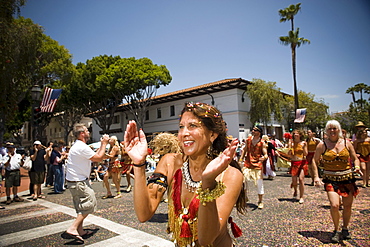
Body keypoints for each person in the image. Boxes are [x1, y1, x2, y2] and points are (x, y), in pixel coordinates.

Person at [124, 102, 247, 246]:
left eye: (193, 126)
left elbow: (207, 239)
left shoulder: (229, 175)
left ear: (212, 134)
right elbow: (144, 214)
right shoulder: (170, 163)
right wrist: (139, 164)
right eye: (181, 127)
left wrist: (207, 183)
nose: (184, 133)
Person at [312, 120, 362, 243]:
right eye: (330, 129)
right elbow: (314, 161)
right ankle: (335, 230)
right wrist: (316, 177)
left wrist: (357, 167)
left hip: (347, 178)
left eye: (334, 128)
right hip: (330, 179)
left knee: (347, 206)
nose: (332, 131)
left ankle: (345, 228)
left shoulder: (347, 143)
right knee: (334, 205)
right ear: (326, 131)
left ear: (339, 130)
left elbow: (355, 159)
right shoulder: (322, 145)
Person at [61, 123, 109, 244]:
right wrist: (104, 144)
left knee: (81, 206)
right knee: (90, 203)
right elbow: (98, 158)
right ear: (82, 133)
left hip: (74, 181)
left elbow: (94, 155)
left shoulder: (79, 146)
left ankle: (80, 230)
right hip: (79, 181)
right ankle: (73, 228)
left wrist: (101, 147)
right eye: (87, 130)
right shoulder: (81, 146)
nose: (89, 132)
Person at [240, 125, 267, 209]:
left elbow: (265, 154)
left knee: (259, 183)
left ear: (259, 132)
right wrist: (241, 159)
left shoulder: (262, 142)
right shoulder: (248, 141)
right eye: (252, 129)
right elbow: (244, 150)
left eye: (255, 130)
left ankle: (260, 201)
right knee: (242, 181)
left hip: (257, 165)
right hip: (248, 164)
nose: (252, 131)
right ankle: (244, 198)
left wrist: (264, 158)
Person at [287, 129, 308, 204]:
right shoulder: (291, 143)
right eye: (294, 134)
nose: (296, 135)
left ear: (300, 135)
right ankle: (295, 190)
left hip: (302, 162)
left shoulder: (303, 143)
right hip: (294, 162)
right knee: (294, 181)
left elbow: (305, 154)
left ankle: (301, 197)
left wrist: (305, 146)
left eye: (297, 134)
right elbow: (289, 155)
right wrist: (290, 148)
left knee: (301, 179)